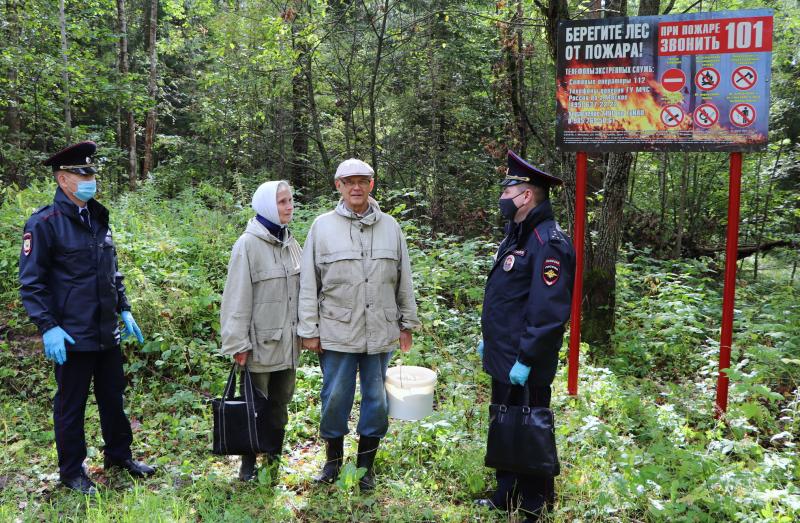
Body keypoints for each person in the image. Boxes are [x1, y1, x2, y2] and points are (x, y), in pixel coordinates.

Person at [18, 141, 154, 495]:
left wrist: (123, 307)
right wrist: (48, 327)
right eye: (83, 174)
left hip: (106, 330)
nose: (90, 179)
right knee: (71, 405)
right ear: (63, 179)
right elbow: (32, 284)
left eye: (92, 173)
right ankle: (71, 472)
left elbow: (112, 272)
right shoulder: (44, 223)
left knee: (113, 396)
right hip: (71, 334)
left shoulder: (98, 217)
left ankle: (119, 455)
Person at [298, 158, 420, 491]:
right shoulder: (321, 227)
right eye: (349, 181)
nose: (356, 187)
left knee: (376, 399)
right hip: (337, 331)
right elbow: (309, 282)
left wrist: (406, 323)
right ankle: (333, 463)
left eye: (362, 181)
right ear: (337, 186)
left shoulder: (391, 227)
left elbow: (402, 280)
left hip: (381, 331)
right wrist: (308, 330)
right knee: (335, 397)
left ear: (372, 184)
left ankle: (366, 468)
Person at [476, 150, 575, 521]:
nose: (503, 197)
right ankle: (506, 492)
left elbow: (547, 311)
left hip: (525, 357)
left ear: (526, 195)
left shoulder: (548, 242)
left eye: (508, 190)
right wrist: (491, 337)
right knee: (505, 420)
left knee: (530, 424)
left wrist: (527, 357)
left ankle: (535, 502)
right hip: (505, 351)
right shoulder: (517, 233)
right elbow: (509, 296)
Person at [219, 180, 302, 482]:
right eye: (282, 201)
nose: (289, 206)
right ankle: (248, 464)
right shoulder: (248, 245)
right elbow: (236, 298)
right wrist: (237, 342)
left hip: (288, 345)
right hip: (258, 345)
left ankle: (274, 459)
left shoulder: (291, 244)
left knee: (280, 405)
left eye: (290, 200)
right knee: (254, 407)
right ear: (267, 204)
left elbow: (303, 293)